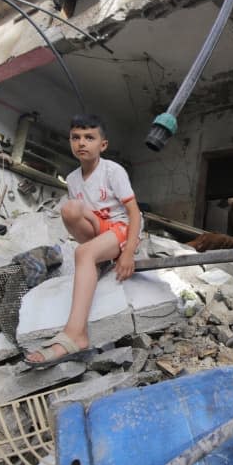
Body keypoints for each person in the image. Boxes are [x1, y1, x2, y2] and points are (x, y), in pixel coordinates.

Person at [25, 114, 142, 367]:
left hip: (121, 228)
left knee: (83, 254)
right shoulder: (72, 179)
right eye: (76, 138)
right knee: (69, 209)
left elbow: (135, 213)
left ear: (103, 145)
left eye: (90, 138)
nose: (82, 143)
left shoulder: (113, 171)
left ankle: (76, 333)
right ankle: (95, 258)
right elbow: (82, 216)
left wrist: (128, 252)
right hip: (99, 231)